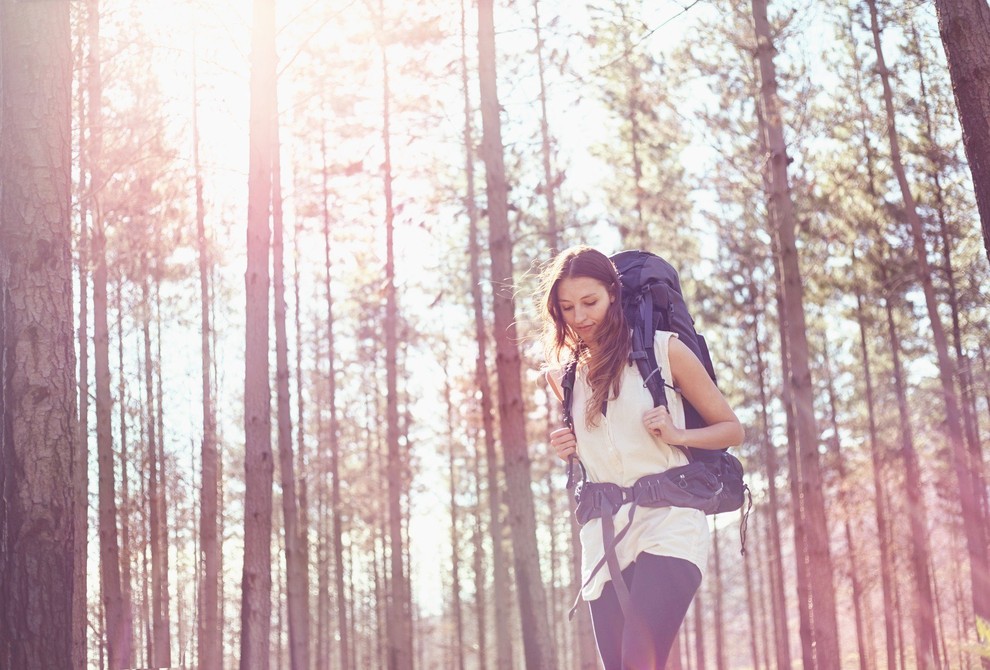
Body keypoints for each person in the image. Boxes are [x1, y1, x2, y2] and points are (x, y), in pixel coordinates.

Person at [539, 245, 744, 670]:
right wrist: (568, 447)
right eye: (568, 307)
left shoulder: (663, 350)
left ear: (613, 293)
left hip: (669, 521)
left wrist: (677, 433)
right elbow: (596, 453)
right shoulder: (563, 377)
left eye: (590, 302)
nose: (580, 317)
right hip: (603, 535)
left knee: (639, 660)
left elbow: (732, 429)